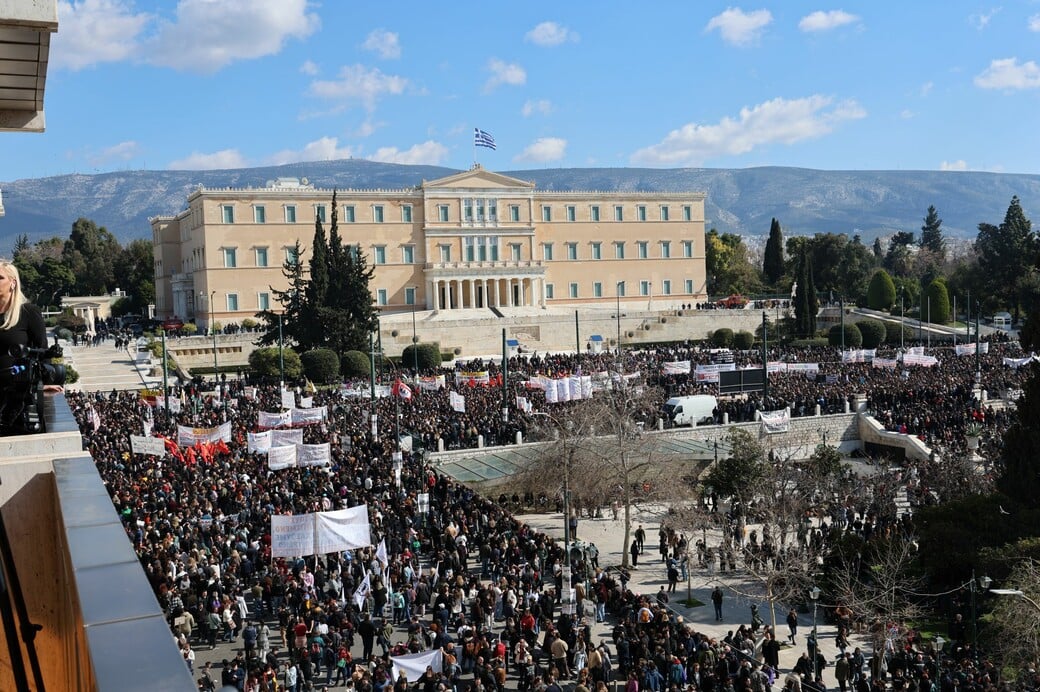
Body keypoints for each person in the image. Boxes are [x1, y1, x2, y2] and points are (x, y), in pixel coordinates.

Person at [0, 261, 49, 433]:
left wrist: (44, 382)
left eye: (0, 278)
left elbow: (43, 351)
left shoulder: (29, 312)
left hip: (19, 397)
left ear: (13, 283)